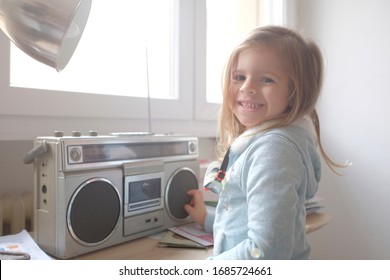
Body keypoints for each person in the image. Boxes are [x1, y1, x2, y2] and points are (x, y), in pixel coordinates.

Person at [184, 25, 343, 259]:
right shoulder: (260, 143)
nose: (247, 87)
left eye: (266, 79)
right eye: (239, 77)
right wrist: (206, 219)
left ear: (294, 93)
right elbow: (247, 221)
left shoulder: (273, 151)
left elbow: (264, 252)